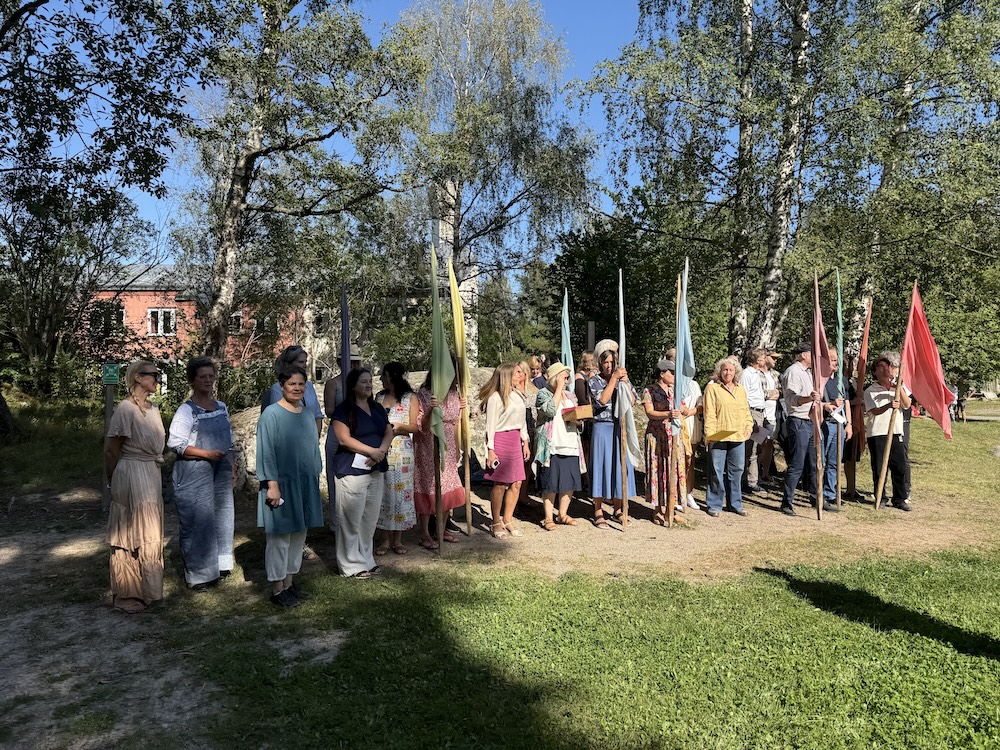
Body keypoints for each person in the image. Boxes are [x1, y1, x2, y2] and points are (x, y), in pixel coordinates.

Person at [256, 365, 324, 606]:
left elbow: (311, 447)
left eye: (301, 384)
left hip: (304, 483)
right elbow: (265, 451)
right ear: (282, 386)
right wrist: (271, 484)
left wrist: (315, 474)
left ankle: (289, 584)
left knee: (298, 534)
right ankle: (277, 589)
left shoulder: (306, 414)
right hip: (281, 483)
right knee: (280, 537)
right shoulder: (271, 415)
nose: (297, 388)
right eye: (292, 384)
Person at [167, 357, 235, 592]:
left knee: (222, 515)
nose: (208, 380)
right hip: (195, 469)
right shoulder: (187, 411)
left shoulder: (221, 406)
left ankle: (220, 565)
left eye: (210, 376)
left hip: (220, 467)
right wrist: (206, 454)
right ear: (192, 381)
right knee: (198, 519)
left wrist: (231, 468)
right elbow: (175, 443)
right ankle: (199, 574)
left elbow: (230, 441)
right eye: (202, 377)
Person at [104, 360, 166, 613]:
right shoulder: (125, 409)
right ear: (138, 377)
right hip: (129, 472)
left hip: (151, 474)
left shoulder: (153, 409)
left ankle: (146, 589)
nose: (158, 379)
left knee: (149, 532)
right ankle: (125, 593)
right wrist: (112, 479)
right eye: (154, 375)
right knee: (128, 533)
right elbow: (111, 450)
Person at [330, 368, 393, 577]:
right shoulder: (343, 410)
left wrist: (381, 451)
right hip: (352, 470)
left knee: (369, 519)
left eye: (370, 381)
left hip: (376, 469)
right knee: (351, 519)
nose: (368, 385)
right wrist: (371, 451)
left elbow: (388, 430)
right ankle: (350, 565)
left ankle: (367, 558)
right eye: (363, 382)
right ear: (353, 385)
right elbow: (343, 439)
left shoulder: (376, 407)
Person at [413, 368, 467, 549]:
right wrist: (430, 409)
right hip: (429, 445)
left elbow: (457, 421)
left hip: (449, 446)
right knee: (428, 485)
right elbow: (421, 425)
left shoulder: (454, 394)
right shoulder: (424, 394)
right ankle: (424, 533)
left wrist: (465, 408)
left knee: (448, 485)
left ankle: (440, 528)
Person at [588, 339, 638, 528]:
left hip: (620, 426)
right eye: (605, 362)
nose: (609, 366)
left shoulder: (622, 378)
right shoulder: (595, 380)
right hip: (603, 426)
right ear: (600, 363)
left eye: (612, 362)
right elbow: (602, 399)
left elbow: (633, 401)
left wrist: (624, 383)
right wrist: (614, 380)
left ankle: (618, 508)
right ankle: (598, 510)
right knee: (601, 467)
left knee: (620, 466)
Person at [373, 362, 418, 556]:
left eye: (384, 375)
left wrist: (400, 426)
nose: (381, 378)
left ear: (392, 376)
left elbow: (416, 427)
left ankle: (398, 539)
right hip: (382, 448)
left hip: (402, 450)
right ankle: (383, 539)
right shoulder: (379, 397)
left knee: (401, 494)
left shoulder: (410, 398)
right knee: (382, 494)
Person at [480, 363, 530, 538]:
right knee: (500, 483)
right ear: (507, 375)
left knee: (517, 482)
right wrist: (490, 450)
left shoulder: (518, 395)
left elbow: (522, 420)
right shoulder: (495, 398)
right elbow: (490, 427)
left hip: (515, 439)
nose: (520, 374)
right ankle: (495, 520)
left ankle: (508, 518)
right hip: (501, 439)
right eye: (517, 372)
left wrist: (525, 441)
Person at [534, 362, 586, 530]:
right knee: (550, 481)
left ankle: (562, 514)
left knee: (568, 481)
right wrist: (558, 390)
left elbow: (579, 420)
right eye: (564, 377)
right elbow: (549, 411)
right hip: (552, 444)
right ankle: (548, 517)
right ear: (556, 378)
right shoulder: (543, 394)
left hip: (570, 442)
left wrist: (579, 420)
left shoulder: (571, 396)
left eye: (567, 378)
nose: (567, 381)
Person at [702, 357, 753, 517]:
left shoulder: (741, 390)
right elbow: (709, 413)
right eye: (725, 370)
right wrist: (710, 434)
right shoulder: (712, 389)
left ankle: (735, 504)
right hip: (719, 435)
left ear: (736, 372)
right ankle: (715, 504)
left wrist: (749, 426)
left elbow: (746, 411)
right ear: (720, 372)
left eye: (731, 370)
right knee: (716, 471)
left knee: (737, 470)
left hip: (738, 435)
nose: (728, 373)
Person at [864, 351, 912, 512]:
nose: (885, 370)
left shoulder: (898, 388)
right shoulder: (871, 390)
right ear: (875, 371)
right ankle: (880, 496)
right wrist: (888, 405)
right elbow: (874, 411)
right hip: (878, 433)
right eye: (881, 367)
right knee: (879, 468)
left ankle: (900, 498)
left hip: (896, 431)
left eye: (888, 367)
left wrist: (898, 390)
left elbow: (907, 405)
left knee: (899, 467)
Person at [323, 343, 363, 533]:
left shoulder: (361, 384)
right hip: (337, 433)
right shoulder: (333, 384)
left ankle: (356, 520)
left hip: (357, 433)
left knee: (357, 478)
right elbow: (329, 410)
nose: (353, 366)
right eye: (350, 362)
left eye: (356, 362)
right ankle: (336, 522)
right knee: (334, 476)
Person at [779, 342, 821, 517]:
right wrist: (808, 398)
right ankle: (787, 501)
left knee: (812, 463)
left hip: (810, 420)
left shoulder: (809, 373)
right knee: (797, 463)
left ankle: (814, 497)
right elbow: (791, 398)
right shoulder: (793, 372)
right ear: (804, 354)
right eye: (812, 353)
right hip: (798, 421)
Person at [642, 358, 684, 525]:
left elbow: (683, 409)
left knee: (672, 471)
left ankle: (671, 509)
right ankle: (658, 510)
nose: (674, 376)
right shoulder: (649, 390)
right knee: (658, 471)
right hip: (656, 435)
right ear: (662, 373)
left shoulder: (675, 391)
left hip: (672, 436)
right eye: (671, 373)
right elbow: (650, 412)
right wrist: (668, 414)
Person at [263, 345, 324, 439]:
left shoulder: (309, 386)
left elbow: (317, 414)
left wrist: (315, 437)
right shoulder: (278, 388)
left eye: (305, 361)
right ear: (288, 364)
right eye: (300, 362)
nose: (305, 365)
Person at [819, 351, 852, 511]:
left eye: (836, 360)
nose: (835, 363)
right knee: (822, 461)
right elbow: (816, 401)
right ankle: (818, 494)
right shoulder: (820, 381)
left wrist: (849, 424)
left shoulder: (841, 381)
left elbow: (846, 403)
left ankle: (830, 493)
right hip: (824, 423)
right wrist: (829, 403)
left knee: (834, 461)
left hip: (838, 425)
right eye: (831, 360)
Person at [740, 349, 769, 494]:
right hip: (751, 412)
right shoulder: (747, 374)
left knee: (756, 448)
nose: (765, 360)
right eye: (764, 358)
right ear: (758, 360)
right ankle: (745, 481)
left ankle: (752, 480)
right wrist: (749, 419)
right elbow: (743, 395)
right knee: (748, 448)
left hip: (760, 412)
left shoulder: (758, 374)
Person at [574, 351, 597, 491]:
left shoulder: (594, 375)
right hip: (587, 417)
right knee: (586, 449)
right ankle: (586, 478)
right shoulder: (579, 376)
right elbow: (582, 398)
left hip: (594, 416)